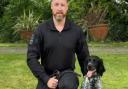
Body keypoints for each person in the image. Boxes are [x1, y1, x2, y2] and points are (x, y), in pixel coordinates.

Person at [27, 0, 92, 89]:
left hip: (68, 75)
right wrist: (46, 79)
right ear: (51, 6)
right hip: (47, 76)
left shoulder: (76, 31)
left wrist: (88, 75)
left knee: (68, 85)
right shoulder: (41, 30)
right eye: (56, 4)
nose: (59, 8)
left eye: (62, 5)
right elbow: (31, 58)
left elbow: (84, 57)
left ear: (67, 7)